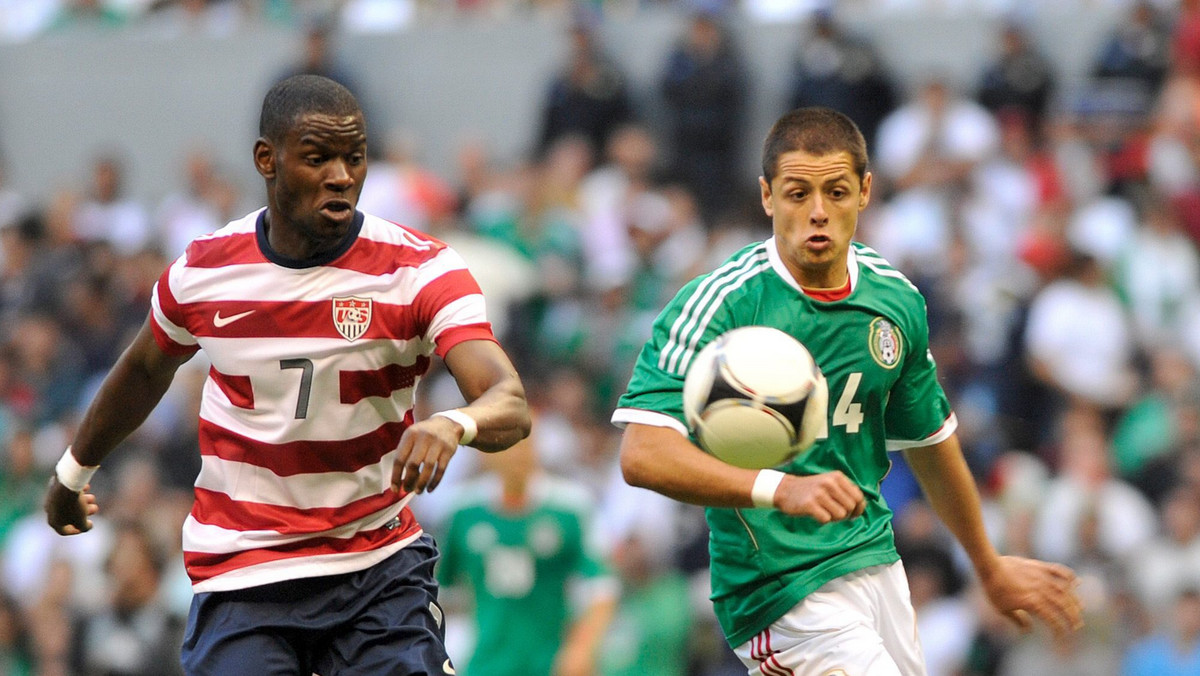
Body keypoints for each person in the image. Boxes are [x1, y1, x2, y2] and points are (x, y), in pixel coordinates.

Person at [43, 74, 531, 676]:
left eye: (354, 158)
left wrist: (456, 423)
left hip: (376, 564)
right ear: (266, 160)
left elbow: (507, 398)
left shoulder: (420, 270)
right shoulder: (205, 270)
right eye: (318, 157)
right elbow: (145, 369)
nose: (341, 176)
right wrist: (73, 470)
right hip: (247, 571)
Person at [610, 107, 1083, 675]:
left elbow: (931, 441)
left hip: (875, 562)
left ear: (864, 192)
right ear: (766, 197)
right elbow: (643, 454)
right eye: (796, 193)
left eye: (835, 192)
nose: (816, 213)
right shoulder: (722, 303)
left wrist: (987, 564)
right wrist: (779, 488)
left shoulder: (895, 301)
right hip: (778, 588)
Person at [437, 424, 617, 676]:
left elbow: (602, 588)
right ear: (486, 453)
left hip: (551, 661)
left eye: (524, 443)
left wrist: (581, 649)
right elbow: (441, 591)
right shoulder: (464, 511)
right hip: (485, 663)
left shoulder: (570, 508)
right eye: (507, 445)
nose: (516, 453)